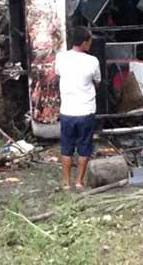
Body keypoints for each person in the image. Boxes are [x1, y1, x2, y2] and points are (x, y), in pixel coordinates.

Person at [55, 26, 101, 190]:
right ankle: (79, 181)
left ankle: (66, 182)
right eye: (89, 40)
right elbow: (97, 81)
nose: (91, 43)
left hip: (67, 110)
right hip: (86, 110)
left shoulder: (61, 58)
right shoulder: (93, 61)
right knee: (84, 147)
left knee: (66, 148)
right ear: (84, 43)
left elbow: (58, 75)